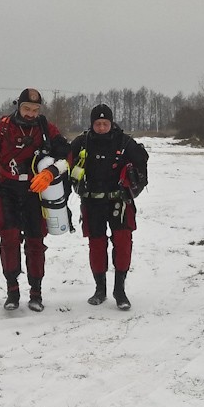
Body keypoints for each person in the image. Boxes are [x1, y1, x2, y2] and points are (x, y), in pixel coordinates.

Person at [0, 88, 71, 311]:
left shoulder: (45, 129)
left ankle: (36, 293)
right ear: (18, 106)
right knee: (9, 238)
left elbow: (68, 154)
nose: (31, 113)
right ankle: (12, 290)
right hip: (7, 189)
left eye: (35, 109)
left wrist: (51, 172)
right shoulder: (0, 129)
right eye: (27, 108)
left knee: (36, 241)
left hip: (35, 192)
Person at [69, 104, 148, 310]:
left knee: (122, 244)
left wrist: (133, 190)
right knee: (96, 245)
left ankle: (119, 290)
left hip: (119, 202)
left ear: (111, 123)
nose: (102, 127)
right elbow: (65, 161)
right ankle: (100, 289)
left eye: (105, 123)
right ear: (92, 124)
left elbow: (142, 167)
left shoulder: (125, 142)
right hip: (92, 202)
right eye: (98, 124)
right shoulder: (82, 142)